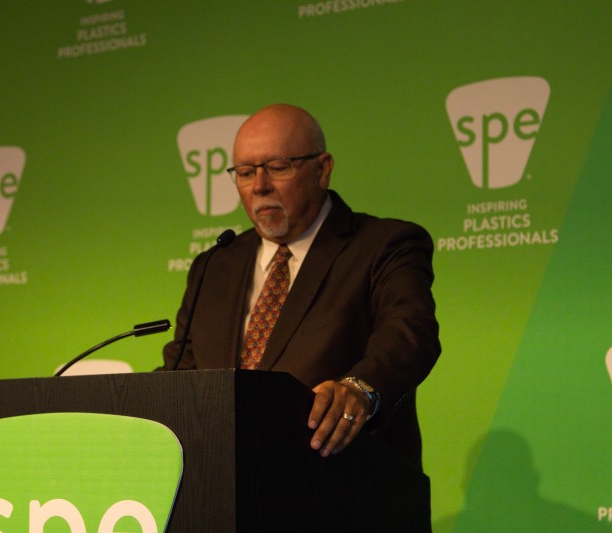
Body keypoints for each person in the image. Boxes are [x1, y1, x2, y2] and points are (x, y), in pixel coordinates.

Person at [162, 103, 440, 469]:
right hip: (224, 482)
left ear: (322, 170)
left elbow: (410, 332)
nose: (260, 186)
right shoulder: (214, 265)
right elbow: (180, 377)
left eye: (278, 167)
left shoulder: (384, 245)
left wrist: (360, 389)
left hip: (339, 478)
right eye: (245, 172)